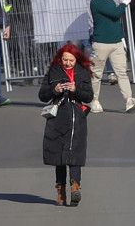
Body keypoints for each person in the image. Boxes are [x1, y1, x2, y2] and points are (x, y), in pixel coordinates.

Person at [39, 44, 94, 206]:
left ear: (77, 60)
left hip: (77, 116)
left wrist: (75, 89)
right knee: (59, 156)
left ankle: (75, 186)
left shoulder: (82, 73)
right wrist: (54, 89)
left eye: (71, 60)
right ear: (60, 59)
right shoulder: (53, 71)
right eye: (65, 59)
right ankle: (60, 191)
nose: (68, 63)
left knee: (75, 153)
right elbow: (42, 95)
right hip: (57, 117)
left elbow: (89, 96)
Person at [88, 0, 135, 114]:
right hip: (101, 43)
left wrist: (120, 3)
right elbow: (114, 13)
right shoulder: (96, 1)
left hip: (116, 42)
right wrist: (124, 4)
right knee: (96, 74)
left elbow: (115, 11)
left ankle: (128, 99)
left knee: (122, 72)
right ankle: (94, 100)